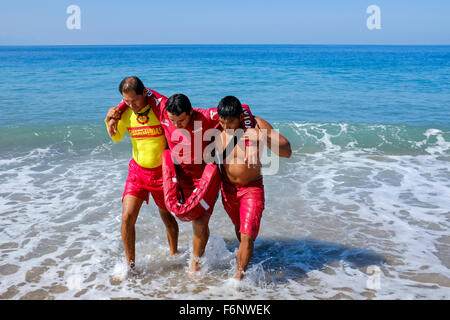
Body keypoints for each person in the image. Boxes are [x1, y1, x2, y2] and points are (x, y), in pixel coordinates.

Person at [106, 86, 220, 273]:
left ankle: (192, 262)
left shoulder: (204, 116)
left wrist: (250, 126)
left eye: (181, 120)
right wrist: (118, 110)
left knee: (194, 222)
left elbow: (239, 109)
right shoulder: (161, 109)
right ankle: (130, 267)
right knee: (130, 216)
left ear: (190, 112)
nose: (176, 125)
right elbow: (140, 93)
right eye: (172, 121)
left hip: (198, 176)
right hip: (162, 174)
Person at [104, 77, 178, 279]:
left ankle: (174, 254)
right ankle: (130, 267)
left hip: (160, 173)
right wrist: (110, 120)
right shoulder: (126, 114)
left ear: (144, 93)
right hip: (137, 172)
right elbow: (116, 137)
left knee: (167, 217)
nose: (131, 105)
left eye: (133, 101)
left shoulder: (159, 111)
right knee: (127, 217)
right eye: (126, 101)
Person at [216, 96, 292, 279]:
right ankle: (245, 258)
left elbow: (287, 151)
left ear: (241, 117)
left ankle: (238, 280)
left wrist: (262, 137)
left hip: (252, 188)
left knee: (247, 235)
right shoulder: (216, 127)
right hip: (227, 189)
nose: (226, 127)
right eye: (222, 121)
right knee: (239, 228)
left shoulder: (257, 125)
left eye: (231, 122)